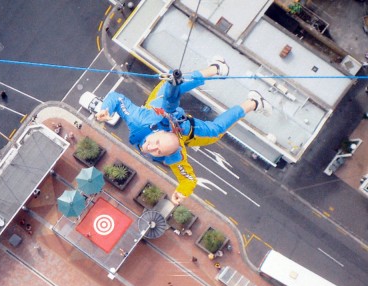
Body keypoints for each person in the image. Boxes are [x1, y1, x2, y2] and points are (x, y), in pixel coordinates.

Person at [95, 57, 272, 204]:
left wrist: (182, 192)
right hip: (173, 120)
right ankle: (245, 95)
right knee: (212, 128)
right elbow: (116, 99)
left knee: (175, 89)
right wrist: (106, 108)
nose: (152, 148)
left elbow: (187, 179)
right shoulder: (141, 122)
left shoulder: (168, 150)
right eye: (158, 146)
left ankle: (226, 78)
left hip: (178, 123)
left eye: (157, 149)